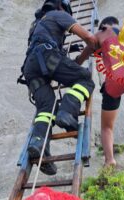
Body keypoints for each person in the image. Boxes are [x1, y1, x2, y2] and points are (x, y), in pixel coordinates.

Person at [19, 0, 97, 175]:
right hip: (48, 57)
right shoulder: (59, 14)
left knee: (47, 107)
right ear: (62, 7)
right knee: (85, 80)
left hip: (30, 68)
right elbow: (90, 38)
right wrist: (91, 49)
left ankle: (38, 144)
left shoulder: (37, 25)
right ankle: (67, 112)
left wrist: (73, 61)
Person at [76, 17, 124, 167]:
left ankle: (109, 160)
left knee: (107, 127)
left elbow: (81, 58)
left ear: (103, 26)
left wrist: (77, 61)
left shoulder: (101, 34)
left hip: (115, 80)